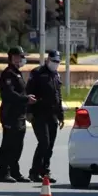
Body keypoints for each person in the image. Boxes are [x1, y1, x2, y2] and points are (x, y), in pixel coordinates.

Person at [0, 46, 36, 183]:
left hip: (20, 114)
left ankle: (15, 171)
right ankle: (3, 172)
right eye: (20, 56)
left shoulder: (17, 73)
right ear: (12, 57)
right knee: (8, 143)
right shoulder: (8, 74)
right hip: (10, 114)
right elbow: (9, 94)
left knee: (18, 144)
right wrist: (26, 99)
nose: (22, 59)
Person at [26, 50, 64, 183]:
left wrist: (61, 115)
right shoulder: (37, 73)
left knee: (50, 145)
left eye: (58, 62)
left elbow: (58, 95)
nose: (55, 64)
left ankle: (45, 171)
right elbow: (29, 92)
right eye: (54, 61)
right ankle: (34, 171)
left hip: (52, 114)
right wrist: (29, 111)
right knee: (44, 142)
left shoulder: (56, 75)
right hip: (39, 113)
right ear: (48, 60)